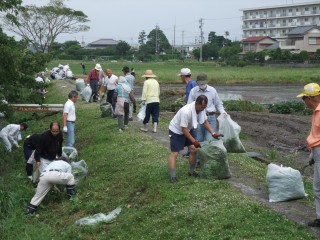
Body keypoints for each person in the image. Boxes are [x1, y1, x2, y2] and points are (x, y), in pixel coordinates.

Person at [168, 95, 221, 183]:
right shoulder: (186, 111)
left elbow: (204, 121)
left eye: (204, 107)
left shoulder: (201, 109)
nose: (203, 109)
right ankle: (173, 176)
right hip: (176, 131)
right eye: (201, 107)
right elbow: (183, 129)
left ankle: (191, 172)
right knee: (175, 153)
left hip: (188, 129)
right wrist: (194, 141)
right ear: (196, 103)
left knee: (194, 150)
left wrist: (213, 133)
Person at [297, 83, 320, 227]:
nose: (304, 102)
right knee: (318, 186)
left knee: (318, 186)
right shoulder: (316, 111)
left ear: (310, 98)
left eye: (304, 98)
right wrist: (312, 154)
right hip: (317, 150)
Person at [187, 73, 227, 142]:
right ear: (197, 82)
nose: (202, 84)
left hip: (210, 117)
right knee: (199, 139)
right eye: (200, 83)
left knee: (209, 139)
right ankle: (199, 152)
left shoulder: (212, 90)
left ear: (206, 81)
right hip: (198, 118)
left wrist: (223, 112)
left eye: (203, 82)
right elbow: (189, 106)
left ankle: (208, 152)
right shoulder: (193, 91)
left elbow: (218, 103)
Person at [178, 68, 197, 157]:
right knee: (189, 130)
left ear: (183, 76)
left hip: (192, 111)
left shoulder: (192, 84)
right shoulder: (189, 84)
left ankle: (192, 152)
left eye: (181, 76)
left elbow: (196, 97)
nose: (180, 78)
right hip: (189, 110)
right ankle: (190, 151)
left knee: (191, 131)